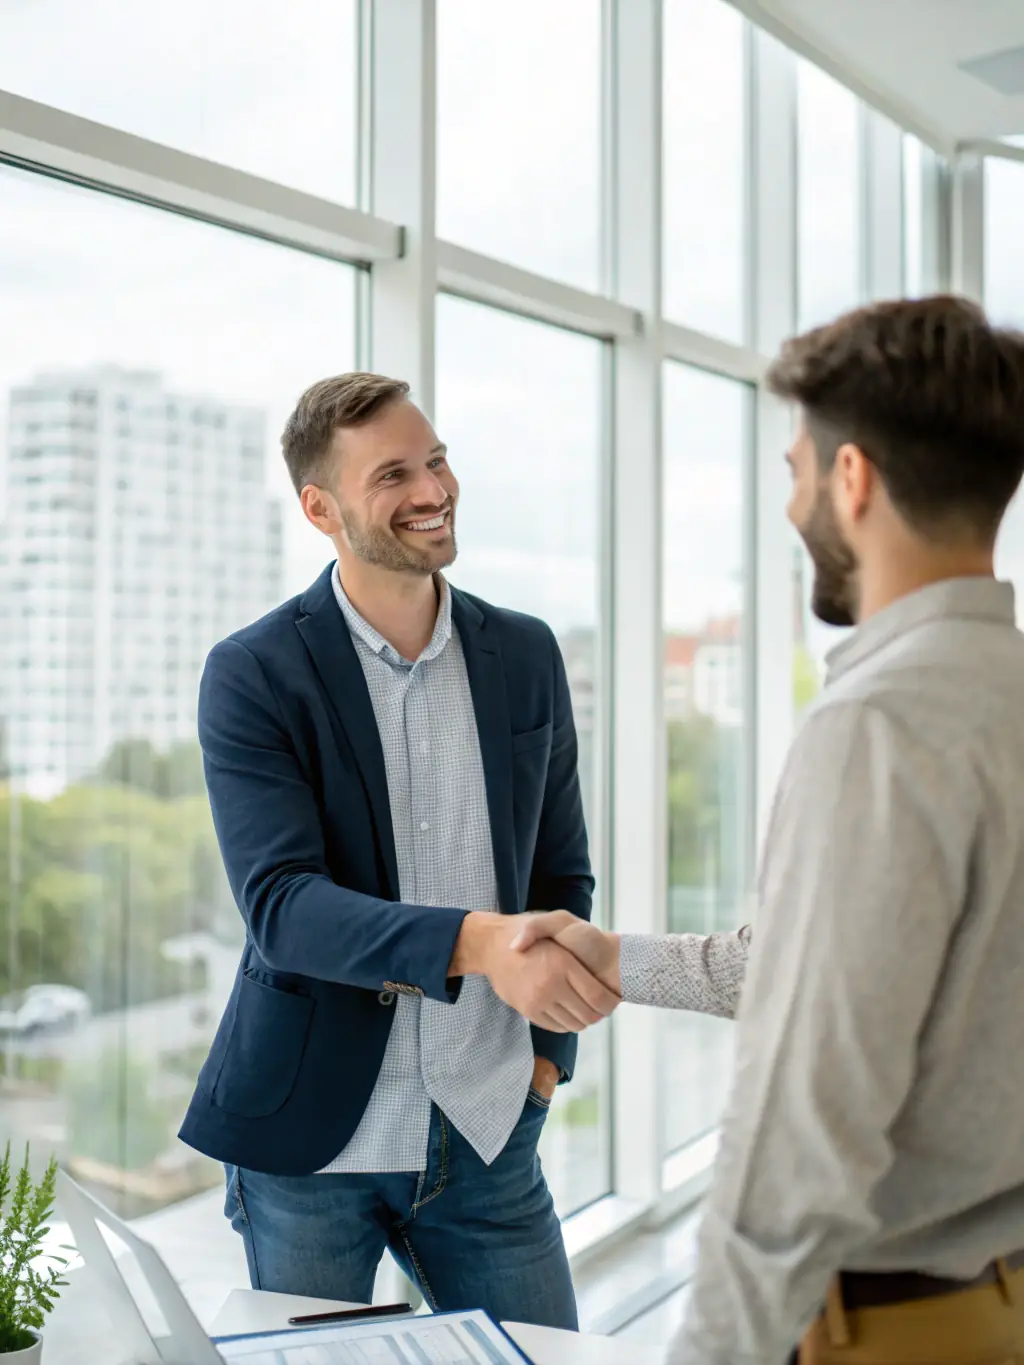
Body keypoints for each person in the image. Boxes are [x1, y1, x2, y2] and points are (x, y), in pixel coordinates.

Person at [516, 296, 1024, 1363]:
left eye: (795, 469)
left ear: (852, 481)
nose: (790, 503)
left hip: (900, 1332)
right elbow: (857, 969)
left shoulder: (877, 727)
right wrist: (620, 960)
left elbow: (803, 1128)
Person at [178, 372, 619, 1330]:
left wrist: (547, 1058)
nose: (432, 490)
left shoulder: (528, 653)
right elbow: (285, 908)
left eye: (437, 460)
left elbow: (560, 872)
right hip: (309, 1143)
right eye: (393, 475)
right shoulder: (254, 673)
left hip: (489, 1129)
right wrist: (477, 943)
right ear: (321, 507)